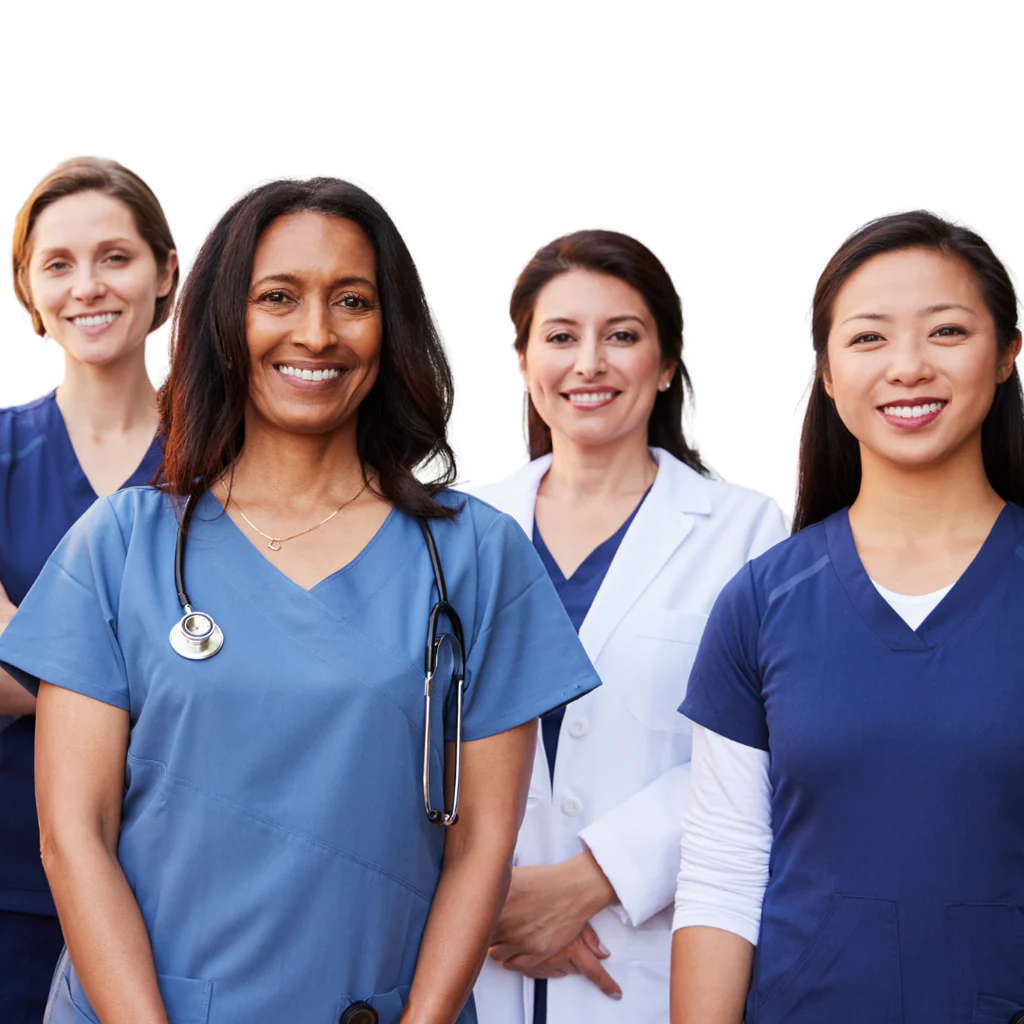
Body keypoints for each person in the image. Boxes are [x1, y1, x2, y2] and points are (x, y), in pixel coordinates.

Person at [0, 176, 599, 1024]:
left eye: (351, 300)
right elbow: (73, 837)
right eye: (276, 297)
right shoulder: (123, 546)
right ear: (223, 321)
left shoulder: (473, 552)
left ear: (390, 328)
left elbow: (482, 847)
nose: (315, 333)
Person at [671, 211, 1024, 1024]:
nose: (908, 367)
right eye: (868, 339)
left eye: (946, 331)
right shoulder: (761, 602)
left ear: (1005, 354)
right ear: (827, 373)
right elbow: (725, 871)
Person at [470, 230, 786, 1024]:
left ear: (668, 362)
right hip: (475, 955)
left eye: (622, 336)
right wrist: (495, 903)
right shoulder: (457, 529)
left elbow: (760, 754)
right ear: (522, 361)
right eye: (561, 337)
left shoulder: (747, 531)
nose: (589, 364)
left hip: (644, 960)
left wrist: (588, 880)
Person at [0, 156, 178, 1022]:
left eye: (116, 256)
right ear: (28, 291)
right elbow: (194, 679)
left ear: (166, 272)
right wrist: (154, 675)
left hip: (190, 885)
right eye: (57, 264)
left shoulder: (235, 466)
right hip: (11, 889)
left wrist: (28, 656)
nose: (88, 286)